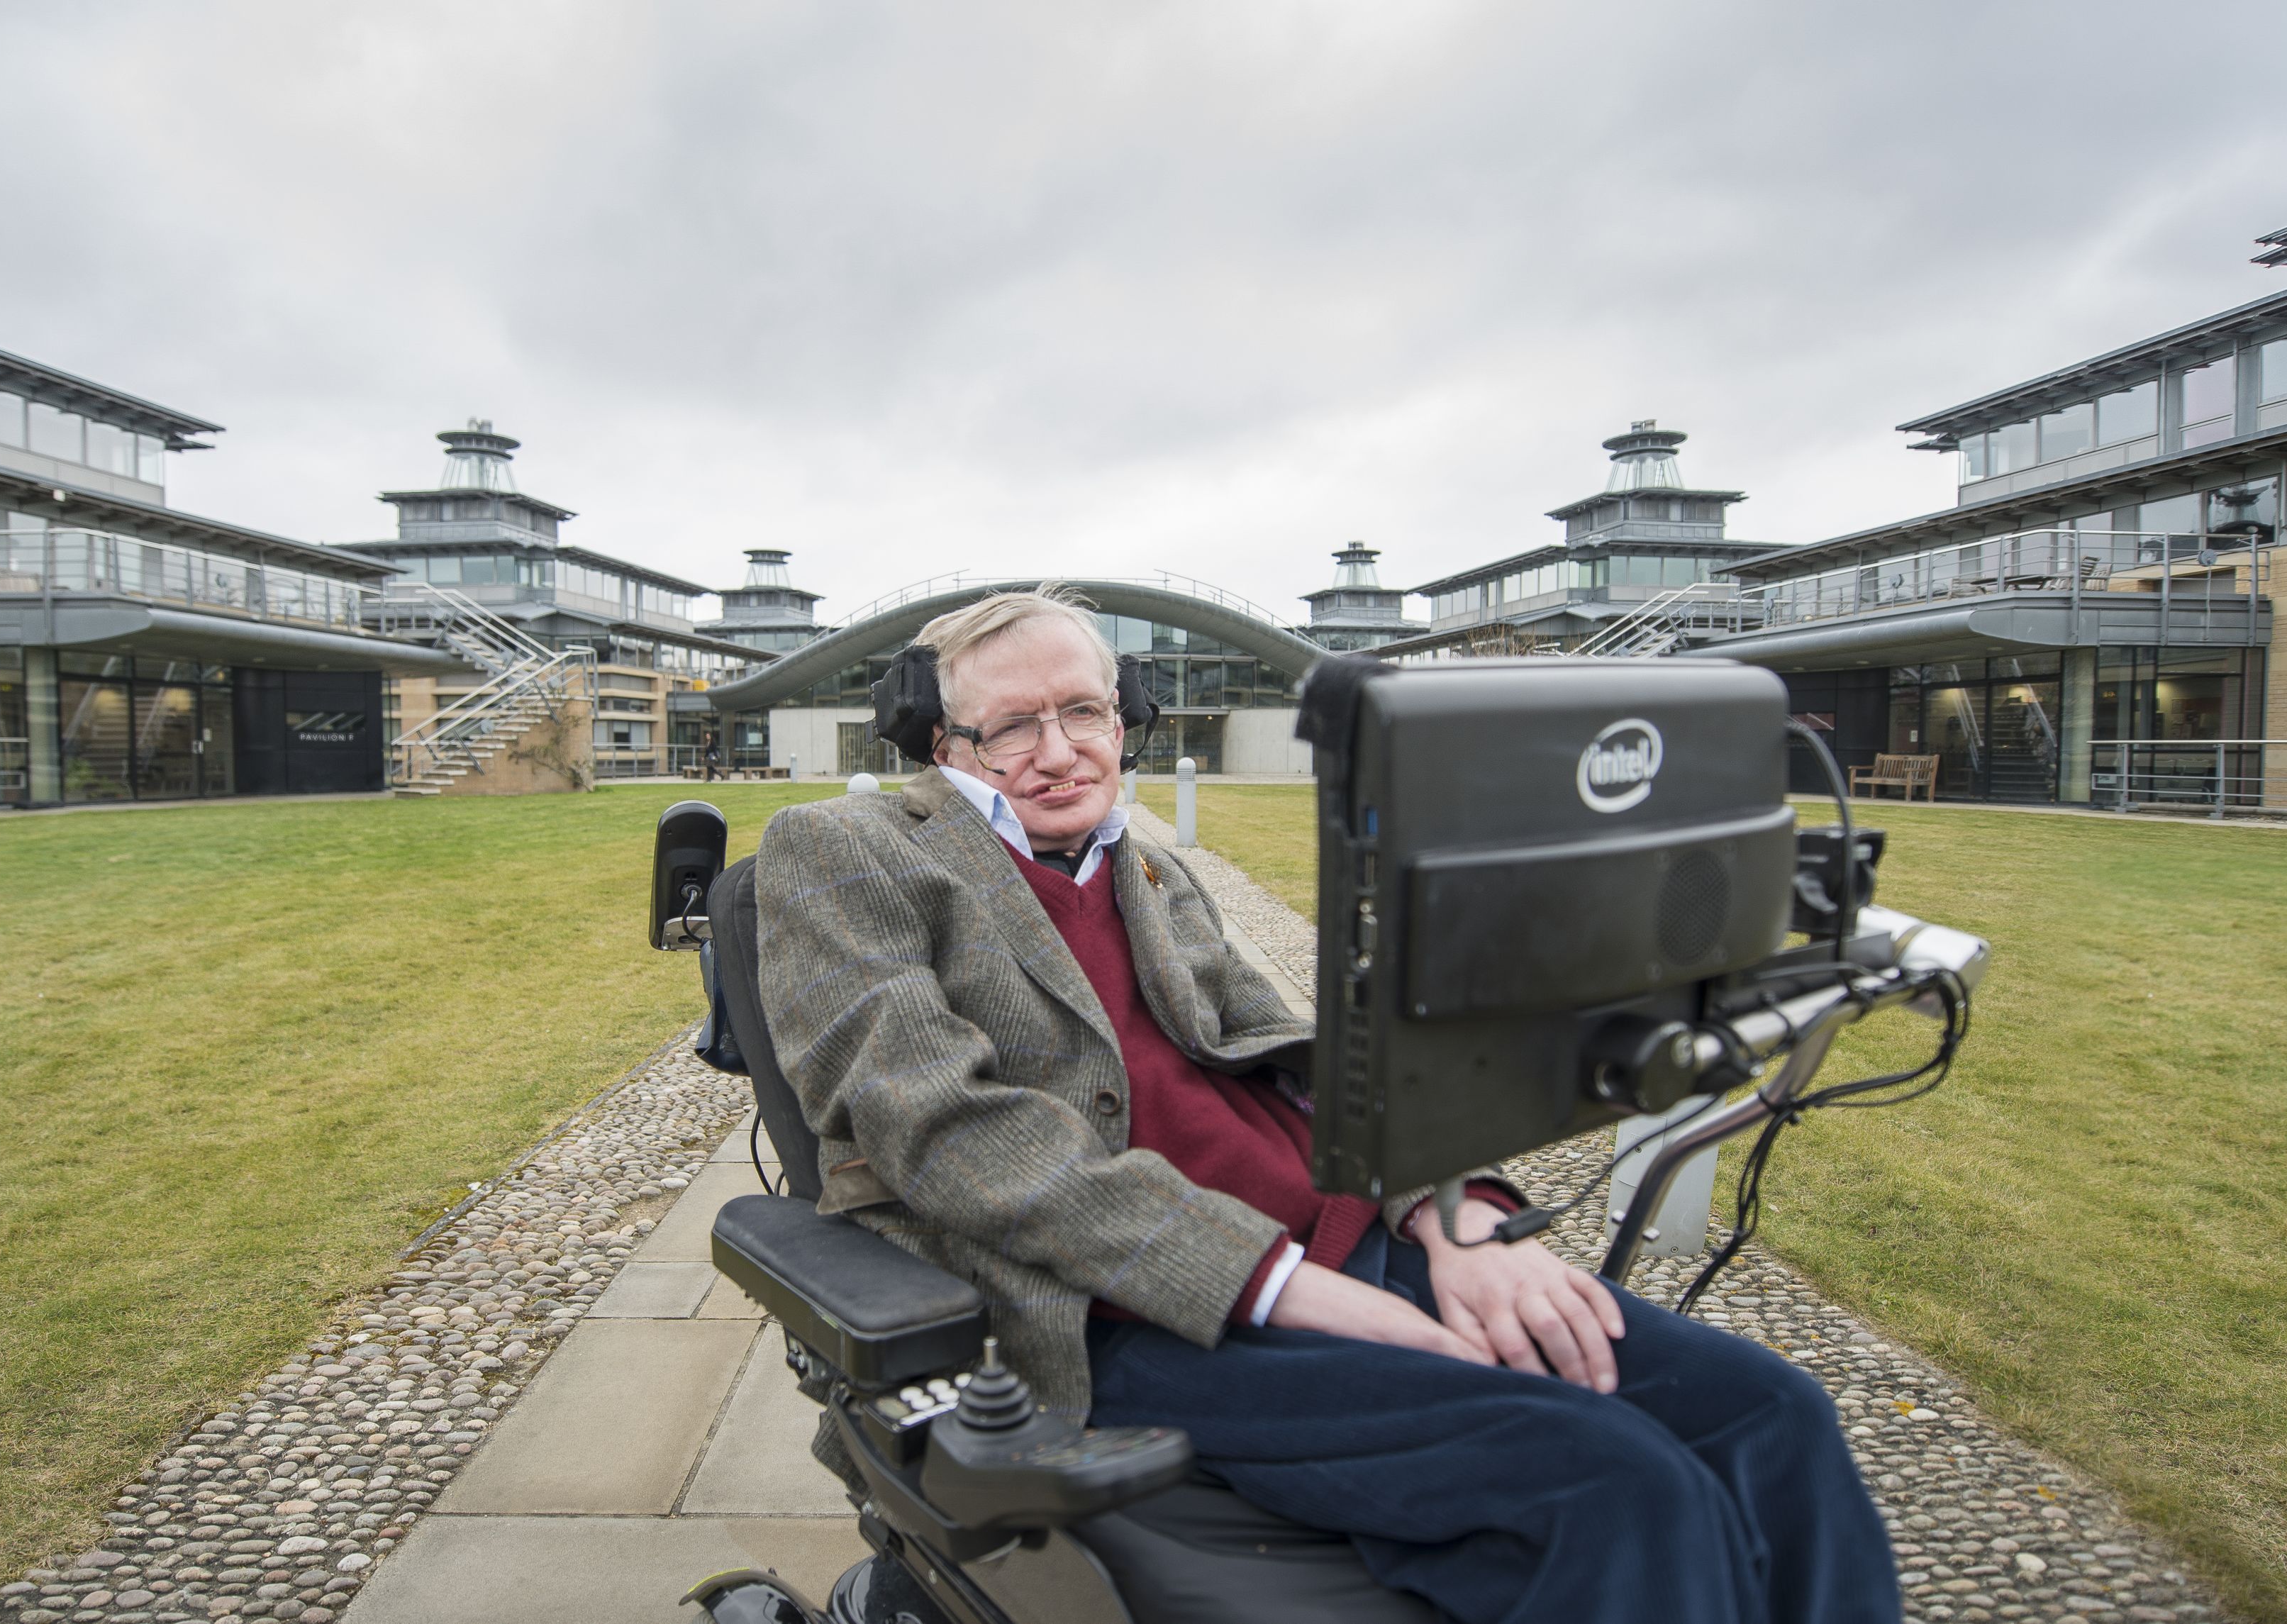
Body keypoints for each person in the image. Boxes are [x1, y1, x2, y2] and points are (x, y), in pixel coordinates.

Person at [752, 585, 1898, 1624]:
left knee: (1774, 1416)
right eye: (1012, 726)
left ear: (1123, 713)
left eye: (1085, 712)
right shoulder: (846, 849)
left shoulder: (1142, 861)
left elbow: (1299, 1056)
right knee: (1619, 1482)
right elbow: (946, 1135)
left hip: (1351, 1236)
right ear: (941, 740)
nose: (1059, 752)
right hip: (1136, 1311)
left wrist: (1456, 1215)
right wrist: (1282, 1285)